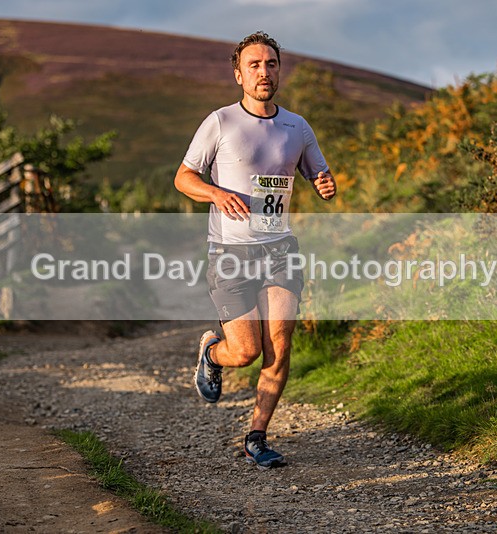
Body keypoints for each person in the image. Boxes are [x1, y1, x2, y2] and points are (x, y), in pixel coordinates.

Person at [174, 31, 336, 469]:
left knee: (279, 346)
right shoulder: (221, 122)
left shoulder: (297, 127)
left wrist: (324, 184)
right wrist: (214, 194)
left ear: (279, 70)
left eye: (271, 64)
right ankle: (212, 350)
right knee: (243, 352)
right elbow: (184, 177)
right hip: (230, 252)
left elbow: (318, 175)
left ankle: (257, 437)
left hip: (279, 248)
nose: (264, 72)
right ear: (239, 75)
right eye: (254, 65)